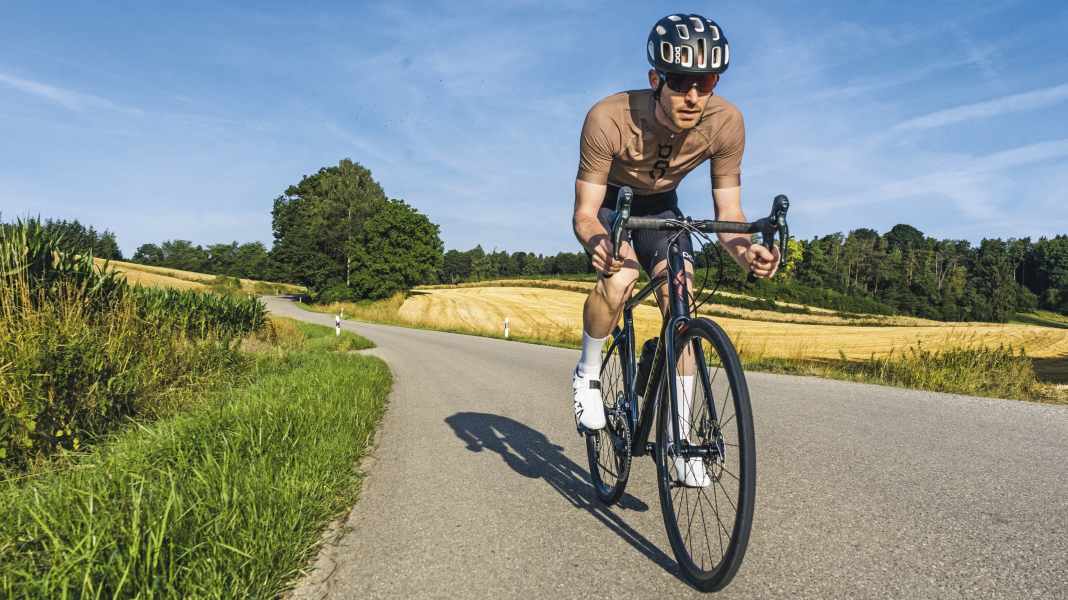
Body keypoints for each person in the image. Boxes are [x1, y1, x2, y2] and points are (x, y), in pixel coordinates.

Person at [570, 14, 780, 485]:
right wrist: (599, 243)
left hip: (663, 210)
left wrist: (748, 253)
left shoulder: (727, 123)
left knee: (679, 303)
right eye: (681, 81)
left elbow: (730, 216)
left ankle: (680, 440)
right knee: (620, 280)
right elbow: (584, 211)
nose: (692, 96)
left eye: (704, 82)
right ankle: (587, 372)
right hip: (612, 205)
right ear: (655, 79)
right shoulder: (609, 117)